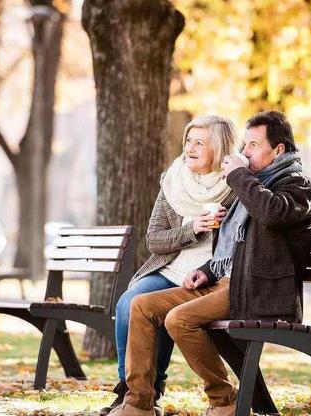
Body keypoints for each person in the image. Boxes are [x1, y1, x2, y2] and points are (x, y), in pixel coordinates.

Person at [111, 111, 311, 416]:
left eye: (253, 145)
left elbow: (272, 213)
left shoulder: (298, 187)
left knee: (178, 320)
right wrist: (205, 270)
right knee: (141, 306)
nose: (244, 152)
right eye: (244, 144)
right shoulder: (254, 185)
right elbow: (233, 247)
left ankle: (224, 399)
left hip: (259, 290)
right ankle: (138, 402)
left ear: (279, 150)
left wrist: (239, 177)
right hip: (228, 284)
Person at [101, 115, 239, 415]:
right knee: (130, 301)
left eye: (200, 142)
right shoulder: (174, 181)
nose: (190, 147)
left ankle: (153, 388)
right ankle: (130, 390)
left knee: (156, 309)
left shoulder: (236, 186)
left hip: (209, 277)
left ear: (218, 147)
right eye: (188, 140)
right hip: (170, 269)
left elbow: (237, 244)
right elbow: (154, 240)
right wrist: (192, 228)